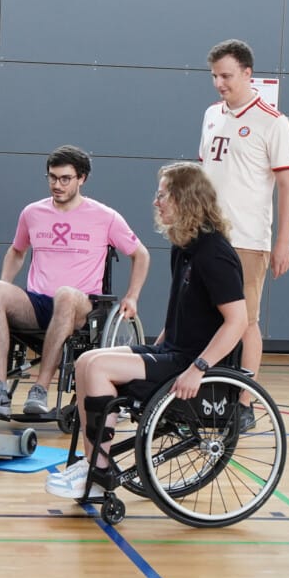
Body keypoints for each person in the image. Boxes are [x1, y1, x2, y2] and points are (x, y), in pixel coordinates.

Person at [46, 162, 247, 498]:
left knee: (98, 367)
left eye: (162, 195)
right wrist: (160, 342)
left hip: (192, 363)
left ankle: (100, 469)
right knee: (86, 361)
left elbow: (237, 321)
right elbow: (189, 307)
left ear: (185, 199)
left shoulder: (215, 254)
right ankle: (93, 462)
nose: (156, 202)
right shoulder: (185, 246)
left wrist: (199, 369)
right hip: (173, 351)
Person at [0, 145, 150, 416]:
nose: (57, 185)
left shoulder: (105, 216)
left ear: (82, 179)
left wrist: (132, 295)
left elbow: (141, 254)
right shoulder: (32, 213)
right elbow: (17, 251)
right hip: (38, 303)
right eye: (52, 178)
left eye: (65, 178)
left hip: (81, 306)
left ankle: (40, 390)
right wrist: (6, 283)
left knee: (65, 294)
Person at [199, 39, 289, 429]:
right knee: (201, 317)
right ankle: (202, 395)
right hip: (204, 235)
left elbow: (287, 186)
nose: (219, 83)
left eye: (226, 76)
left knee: (246, 321)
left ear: (246, 73)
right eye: (214, 77)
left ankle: (245, 402)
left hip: (246, 239)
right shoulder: (210, 115)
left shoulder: (273, 121)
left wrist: (282, 242)